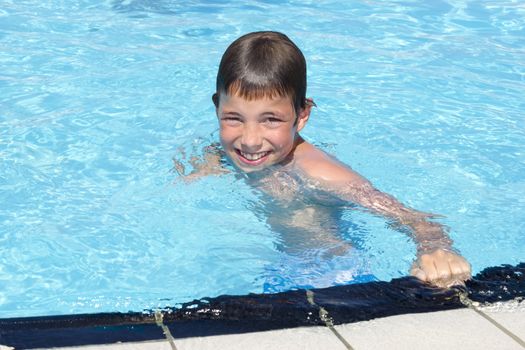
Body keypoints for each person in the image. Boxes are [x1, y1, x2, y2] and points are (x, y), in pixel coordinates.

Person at [175, 31, 471, 288]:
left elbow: (413, 218)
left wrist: (435, 248)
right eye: (234, 119)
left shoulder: (319, 174)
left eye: (271, 120)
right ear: (218, 108)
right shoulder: (231, 149)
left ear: (302, 114)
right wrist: (207, 167)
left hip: (329, 274)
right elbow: (216, 152)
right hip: (281, 262)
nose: (250, 139)